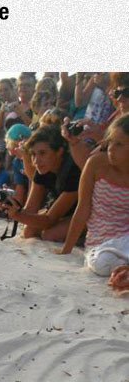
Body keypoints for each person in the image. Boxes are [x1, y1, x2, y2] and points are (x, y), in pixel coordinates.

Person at [57, 114, 129, 276]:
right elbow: (83, 209)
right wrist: (66, 249)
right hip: (100, 244)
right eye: (110, 142)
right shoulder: (96, 164)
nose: (111, 148)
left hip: (126, 240)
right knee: (102, 263)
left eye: (119, 144)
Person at [1, 125, 80, 242]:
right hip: (62, 212)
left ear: (59, 151)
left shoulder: (73, 170)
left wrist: (17, 215)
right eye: (33, 154)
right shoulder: (43, 169)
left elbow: (49, 219)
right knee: (29, 232)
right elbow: (30, 209)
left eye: (42, 153)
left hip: (86, 213)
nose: (36, 161)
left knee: (50, 235)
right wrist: (10, 207)